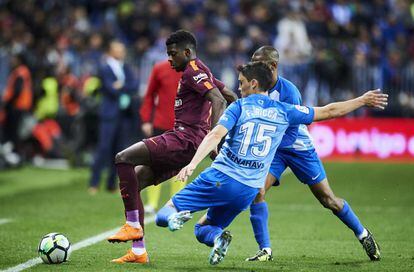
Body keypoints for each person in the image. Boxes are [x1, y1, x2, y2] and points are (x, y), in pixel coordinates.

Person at [154, 61, 387, 265]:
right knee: (204, 228)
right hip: (247, 189)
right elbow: (329, 110)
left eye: (241, 82)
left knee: (163, 216)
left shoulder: (240, 106)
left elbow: (215, 134)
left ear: (254, 83)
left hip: (223, 176)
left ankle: (176, 217)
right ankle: (230, 241)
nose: (238, 87)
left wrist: (193, 164)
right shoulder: (285, 110)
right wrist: (362, 100)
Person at [108, 30, 238, 264]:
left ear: (187, 52)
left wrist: (215, 137)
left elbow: (217, 100)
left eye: (173, 54)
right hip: (186, 142)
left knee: (123, 157)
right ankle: (138, 252)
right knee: (135, 180)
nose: (169, 59)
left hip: (184, 139)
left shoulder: (193, 71)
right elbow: (228, 94)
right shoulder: (200, 69)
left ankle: (132, 225)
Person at [245, 46, 381, 262]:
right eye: (251, 61)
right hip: (276, 151)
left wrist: (260, 149)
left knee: (328, 200)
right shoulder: (252, 85)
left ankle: (363, 234)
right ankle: (265, 250)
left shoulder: (289, 93)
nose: (252, 66)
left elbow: (289, 135)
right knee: (257, 192)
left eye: (258, 62)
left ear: (273, 66)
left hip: (299, 149)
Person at [88, 40, 138, 194]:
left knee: (119, 151)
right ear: (111, 51)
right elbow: (110, 89)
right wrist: (124, 87)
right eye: (119, 49)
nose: (122, 52)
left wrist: (121, 85)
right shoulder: (104, 67)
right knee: (103, 148)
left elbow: (135, 85)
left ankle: (111, 183)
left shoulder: (126, 67)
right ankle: (94, 183)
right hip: (109, 114)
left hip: (124, 114)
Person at [139, 59, 186, 215]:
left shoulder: (195, 70)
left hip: (184, 125)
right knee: (156, 164)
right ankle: (151, 204)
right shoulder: (159, 68)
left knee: (180, 166)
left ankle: (175, 203)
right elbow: (149, 94)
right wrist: (146, 119)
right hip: (161, 124)